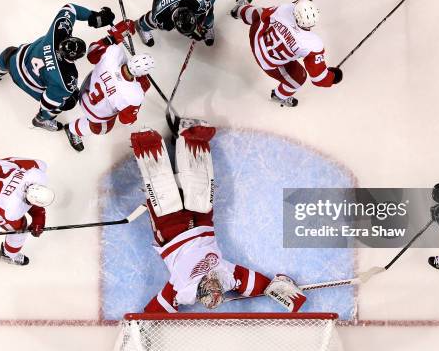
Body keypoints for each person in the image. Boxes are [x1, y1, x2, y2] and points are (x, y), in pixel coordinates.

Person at [131, 120, 307, 312]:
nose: (216, 285)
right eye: (218, 289)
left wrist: (140, 327)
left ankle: (147, 148)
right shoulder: (226, 277)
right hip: (203, 222)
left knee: (165, 197)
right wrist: (272, 288)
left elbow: (157, 309)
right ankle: (191, 137)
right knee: (201, 194)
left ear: (202, 291)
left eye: (211, 288)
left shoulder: (183, 290)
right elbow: (249, 282)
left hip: (171, 232)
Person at [0, 4, 115, 131]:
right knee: (68, 100)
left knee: (9, 53)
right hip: (30, 85)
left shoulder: (58, 32)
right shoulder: (68, 76)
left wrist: (94, 16)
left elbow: (71, 8)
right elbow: (47, 102)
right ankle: (41, 120)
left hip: (15, 64)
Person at [230, 0, 343, 107]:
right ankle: (279, 96)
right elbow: (319, 79)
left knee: (259, 13)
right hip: (268, 62)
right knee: (299, 79)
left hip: (257, 39)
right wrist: (333, 77)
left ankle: (239, 10)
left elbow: (299, 3)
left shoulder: (284, 9)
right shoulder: (313, 44)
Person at [63, 21, 155, 152]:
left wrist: (113, 35)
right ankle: (72, 130)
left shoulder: (114, 53)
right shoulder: (135, 94)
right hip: (97, 114)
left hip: (83, 92)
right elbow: (126, 121)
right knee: (102, 129)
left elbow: (91, 54)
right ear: (141, 74)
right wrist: (142, 88)